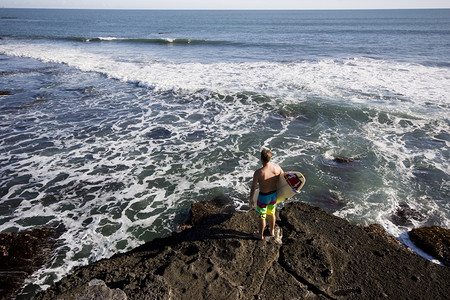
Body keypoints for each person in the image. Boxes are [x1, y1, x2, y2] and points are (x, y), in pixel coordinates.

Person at [249, 149, 283, 240]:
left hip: (263, 198)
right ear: (270, 158)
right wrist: (285, 195)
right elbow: (284, 182)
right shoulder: (277, 168)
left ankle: (260, 235)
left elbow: (253, 187)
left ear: (261, 159)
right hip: (273, 196)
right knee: (272, 214)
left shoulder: (259, 172)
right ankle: (272, 231)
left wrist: (251, 199)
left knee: (262, 217)